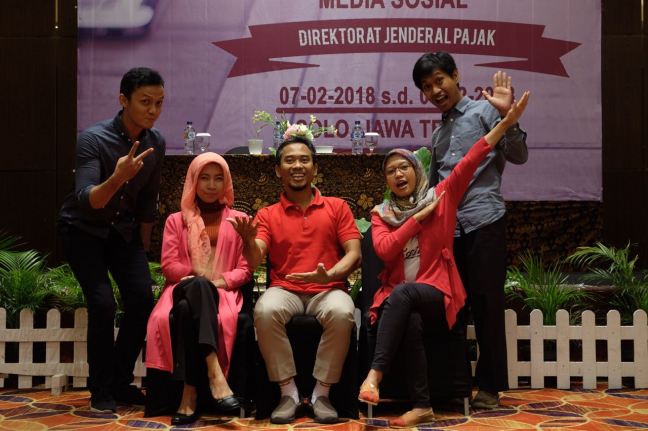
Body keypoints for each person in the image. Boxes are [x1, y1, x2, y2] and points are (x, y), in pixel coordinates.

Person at [358, 91, 530, 427]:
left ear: (417, 170)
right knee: (408, 314)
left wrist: (507, 123)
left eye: (404, 167)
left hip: (436, 294)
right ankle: (422, 406)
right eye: (391, 170)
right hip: (401, 300)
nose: (398, 174)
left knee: (405, 294)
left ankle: (374, 376)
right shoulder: (381, 214)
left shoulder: (440, 197)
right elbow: (385, 250)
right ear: (387, 180)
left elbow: (473, 157)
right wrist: (416, 220)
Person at [414, 52, 529, 409]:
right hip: (449, 231)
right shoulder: (438, 134)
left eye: (439, 81)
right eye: (427, 87)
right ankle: (456, 385)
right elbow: (436, 187)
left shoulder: (484, 112)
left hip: (484, 220)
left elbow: (520, 156)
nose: (435, 91)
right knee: (451, 308)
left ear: (455, 76)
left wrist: (508, 118)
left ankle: (490, 387)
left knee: (486, 304)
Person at [227, 130, 362, 424]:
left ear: (315, 167)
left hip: (328, 289)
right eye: (289, 161)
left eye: (304, 160)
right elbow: (255, 259)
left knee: (343, 312)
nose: (297, 166)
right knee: (265, 310)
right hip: (285, 289)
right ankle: (288, 392)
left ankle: (321, 394)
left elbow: (354, 253)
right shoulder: (267, 214)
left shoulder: (337, 207)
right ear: (278, 170)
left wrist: (331, 275)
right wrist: (248, 242)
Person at [57, 67, 165, 412]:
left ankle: (120, 381)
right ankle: (100, 389)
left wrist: (143, 251)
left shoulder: (155, 142)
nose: (153, 110)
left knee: (142, 299)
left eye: (159, 102)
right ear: (123, 100)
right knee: (102, 303)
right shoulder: (93, 139)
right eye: (145, 102)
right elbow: (88, 200)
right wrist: (118, 177)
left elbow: (147, 203)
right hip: (83, 231)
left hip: (123, 232)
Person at [145, 152, 251, 425]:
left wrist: (218, 282)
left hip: (220, 291)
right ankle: (215, 374)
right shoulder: (176, 220)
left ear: (226, 182)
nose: (211, 185)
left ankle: (188, 394)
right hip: (181, 287)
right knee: (194, 290)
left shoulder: (239, 219)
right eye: (204, 178)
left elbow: (245, 268)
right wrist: (198, 278)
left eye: (218, 178)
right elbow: (169, 266)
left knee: (184, 311)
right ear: (193, 180)